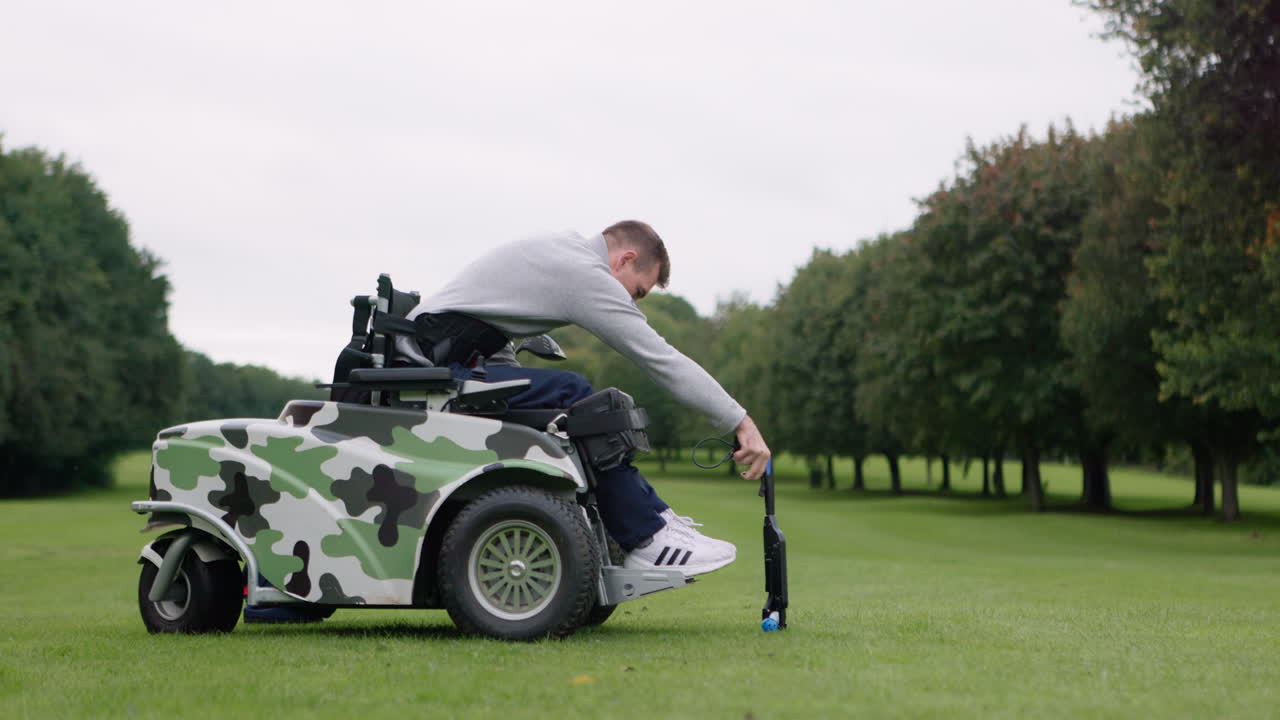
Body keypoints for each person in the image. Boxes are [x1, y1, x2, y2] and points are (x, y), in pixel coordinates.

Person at [401, 220, 772, 574]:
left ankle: (652, 518)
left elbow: (490, 330)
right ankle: (647, 538)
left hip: (434, 359)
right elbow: (660, 359)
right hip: (428, 366)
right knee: (579, 396)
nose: (634, 304)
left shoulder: (565, 249)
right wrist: (741, 421)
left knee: (572, 396)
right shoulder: (584, 273)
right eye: (638, 291)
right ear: (625, 259)